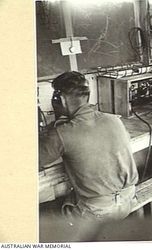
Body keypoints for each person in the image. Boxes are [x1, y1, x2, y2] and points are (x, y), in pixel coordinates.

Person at [39, 71, 139, 221]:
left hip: (98, 212)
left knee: (41, 214)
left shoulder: (61, 133)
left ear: (59, 100)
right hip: (128, 200)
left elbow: (36, 160)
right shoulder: (114, 120)